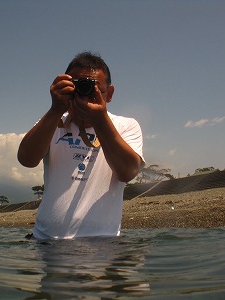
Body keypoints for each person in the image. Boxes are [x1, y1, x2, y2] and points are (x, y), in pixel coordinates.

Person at [18, 52, 145, 239]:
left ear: (108, 94)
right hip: (46, 243)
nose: (84, 94)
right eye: (77, 87)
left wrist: (100, 120)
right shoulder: (54, 122)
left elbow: (127, 172)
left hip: (103, 243)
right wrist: (55, 109)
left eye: (92, 88)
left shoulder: (126, 126)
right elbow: (26, 159)